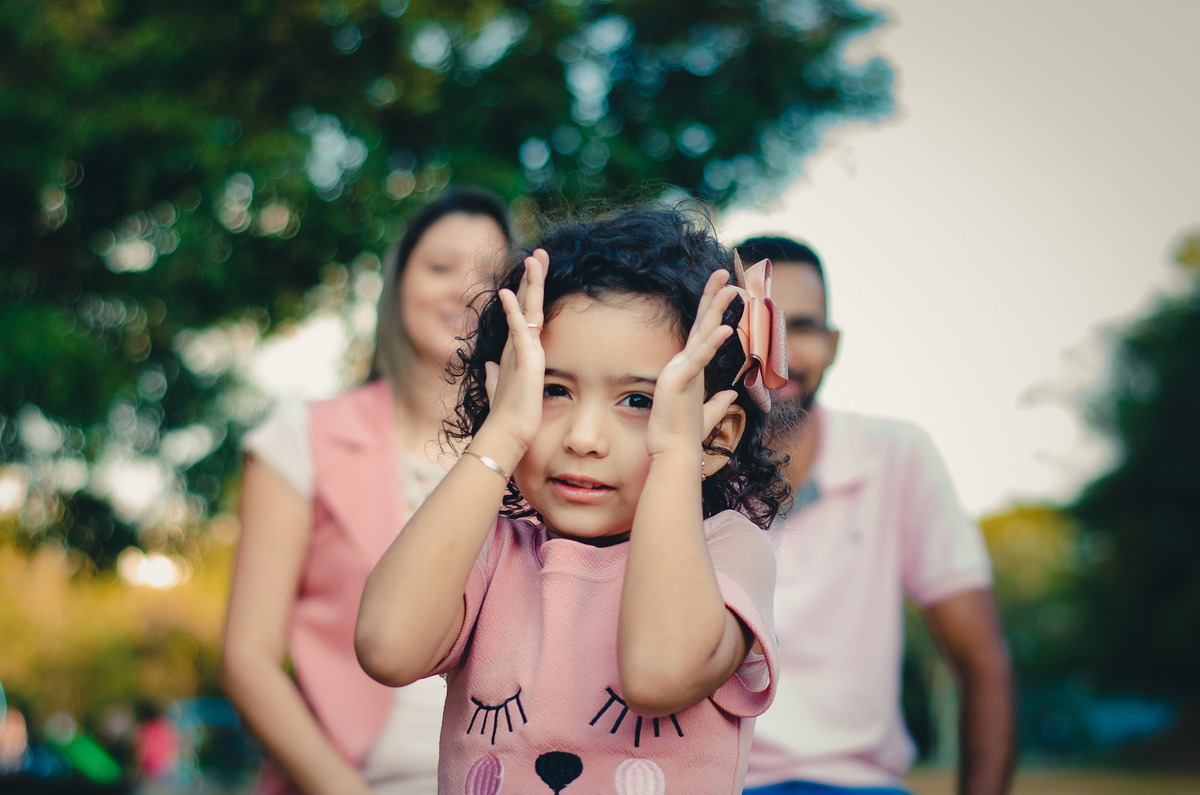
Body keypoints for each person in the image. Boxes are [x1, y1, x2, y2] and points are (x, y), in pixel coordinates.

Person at [355, 206, 790, 793]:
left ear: (716, 436)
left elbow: (658, 674)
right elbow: (387, 646)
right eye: (552, 390)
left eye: (640, 401)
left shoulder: (731, 553)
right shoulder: (493, 548)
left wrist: (674, 460)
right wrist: (501, 437)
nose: (583, 439)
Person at [222, 188, 512, 795]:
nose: (465, 290)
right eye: (440, 266)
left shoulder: (543, 450)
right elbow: (248, 659)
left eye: (489, 275)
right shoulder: (300, 439)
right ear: (399, 282)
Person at [734, 236, 1016, 795]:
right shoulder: (669, 463)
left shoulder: (898, 455)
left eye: (804, 326)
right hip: (711, 779)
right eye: (760, 322)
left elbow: (982, 661)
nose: (782, 350)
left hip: (857, 783)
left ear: (834, 345)